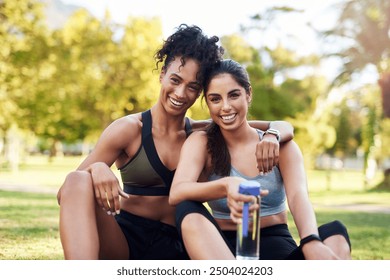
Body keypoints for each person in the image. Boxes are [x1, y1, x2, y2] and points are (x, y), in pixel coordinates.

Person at [56, 25, 294, 260]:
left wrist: (273, 135)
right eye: (175, 80)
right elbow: (67, 193)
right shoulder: (129, 129)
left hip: (179, 246)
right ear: (162, 76)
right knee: (77, 179)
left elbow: (278, 125)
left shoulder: (202, 132)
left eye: (192, 87)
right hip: (125, 240)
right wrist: (96, 168)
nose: (180, 93)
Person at [169, 59, 352, 260]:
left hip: (276, 244)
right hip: (219, 248)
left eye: (234, 95)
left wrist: (310, 240)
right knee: (187, 208)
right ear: (208, 103)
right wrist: (227, 185)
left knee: (335, 232)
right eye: (215, 99)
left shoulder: (280, 144)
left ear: (248, 94)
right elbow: (177, 192)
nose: (226, 107)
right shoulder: (202, 142)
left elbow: (298, 195)